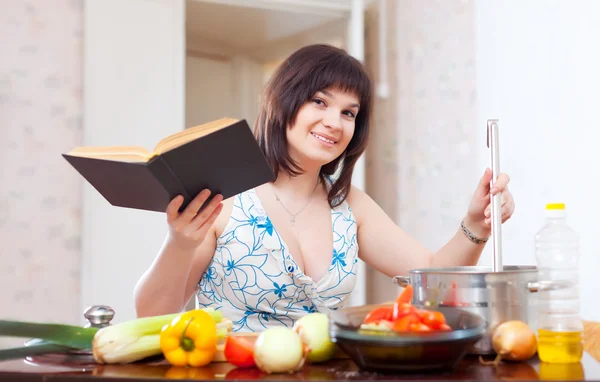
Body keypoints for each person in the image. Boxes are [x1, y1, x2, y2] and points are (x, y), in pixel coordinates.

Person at [133, 44, 515, 331]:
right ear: (284, 102)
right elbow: (152, 316)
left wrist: (476, 224)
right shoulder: (227, 195)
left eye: (349, 113)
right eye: (320, 101)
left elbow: (432, 277)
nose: (335, 122)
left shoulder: (350, 205)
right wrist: (180, 243)